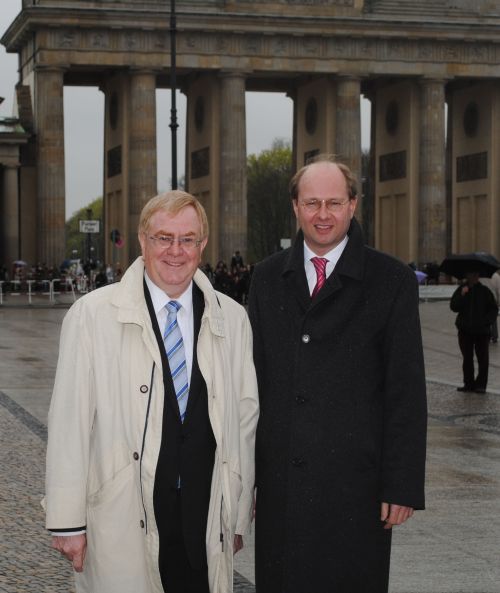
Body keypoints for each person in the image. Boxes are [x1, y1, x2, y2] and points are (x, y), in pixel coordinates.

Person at [45, 191, 259, 593]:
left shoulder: (232, 318)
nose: (175, 251)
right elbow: (69, 422)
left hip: (204, 512)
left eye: (187, 239)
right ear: (142, 240)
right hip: (124, 512)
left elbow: (245, 419)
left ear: (203, 244)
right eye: (163, 237)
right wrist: (67, 521)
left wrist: (236, 512)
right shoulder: (91, 316)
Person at [248, 155, 427, 593]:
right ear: (295, 207)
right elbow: (250, 384)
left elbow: (405, 390)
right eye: (312, 203)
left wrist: (401, 485)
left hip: (355, 487)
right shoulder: (267, 278)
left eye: (333, 202)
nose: (322, 215)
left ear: (353, 205)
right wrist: (241, 482)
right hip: (282, 486)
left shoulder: (392, 280)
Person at [450, 271, 498, 393]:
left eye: (473, 275)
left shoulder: (484, 291)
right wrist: (462, 294)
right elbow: (453, 306)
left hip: (482, 331)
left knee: (483, 359)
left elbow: (493, 309)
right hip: (465, 330)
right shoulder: (462, 289)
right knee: (467, 359)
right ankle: (469, 384)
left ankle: (481, 385)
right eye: (469, 275)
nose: (470, 277)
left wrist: (486, 321)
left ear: (477, 277)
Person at [479, 270, 500, 343]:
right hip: (493, 300)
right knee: (493, 318)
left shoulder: (480, 276)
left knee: (483, 318)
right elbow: (498, 289)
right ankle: (494, 336)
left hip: (482, 300)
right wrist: (498, 301)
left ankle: (485, 335)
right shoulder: (496, 276)